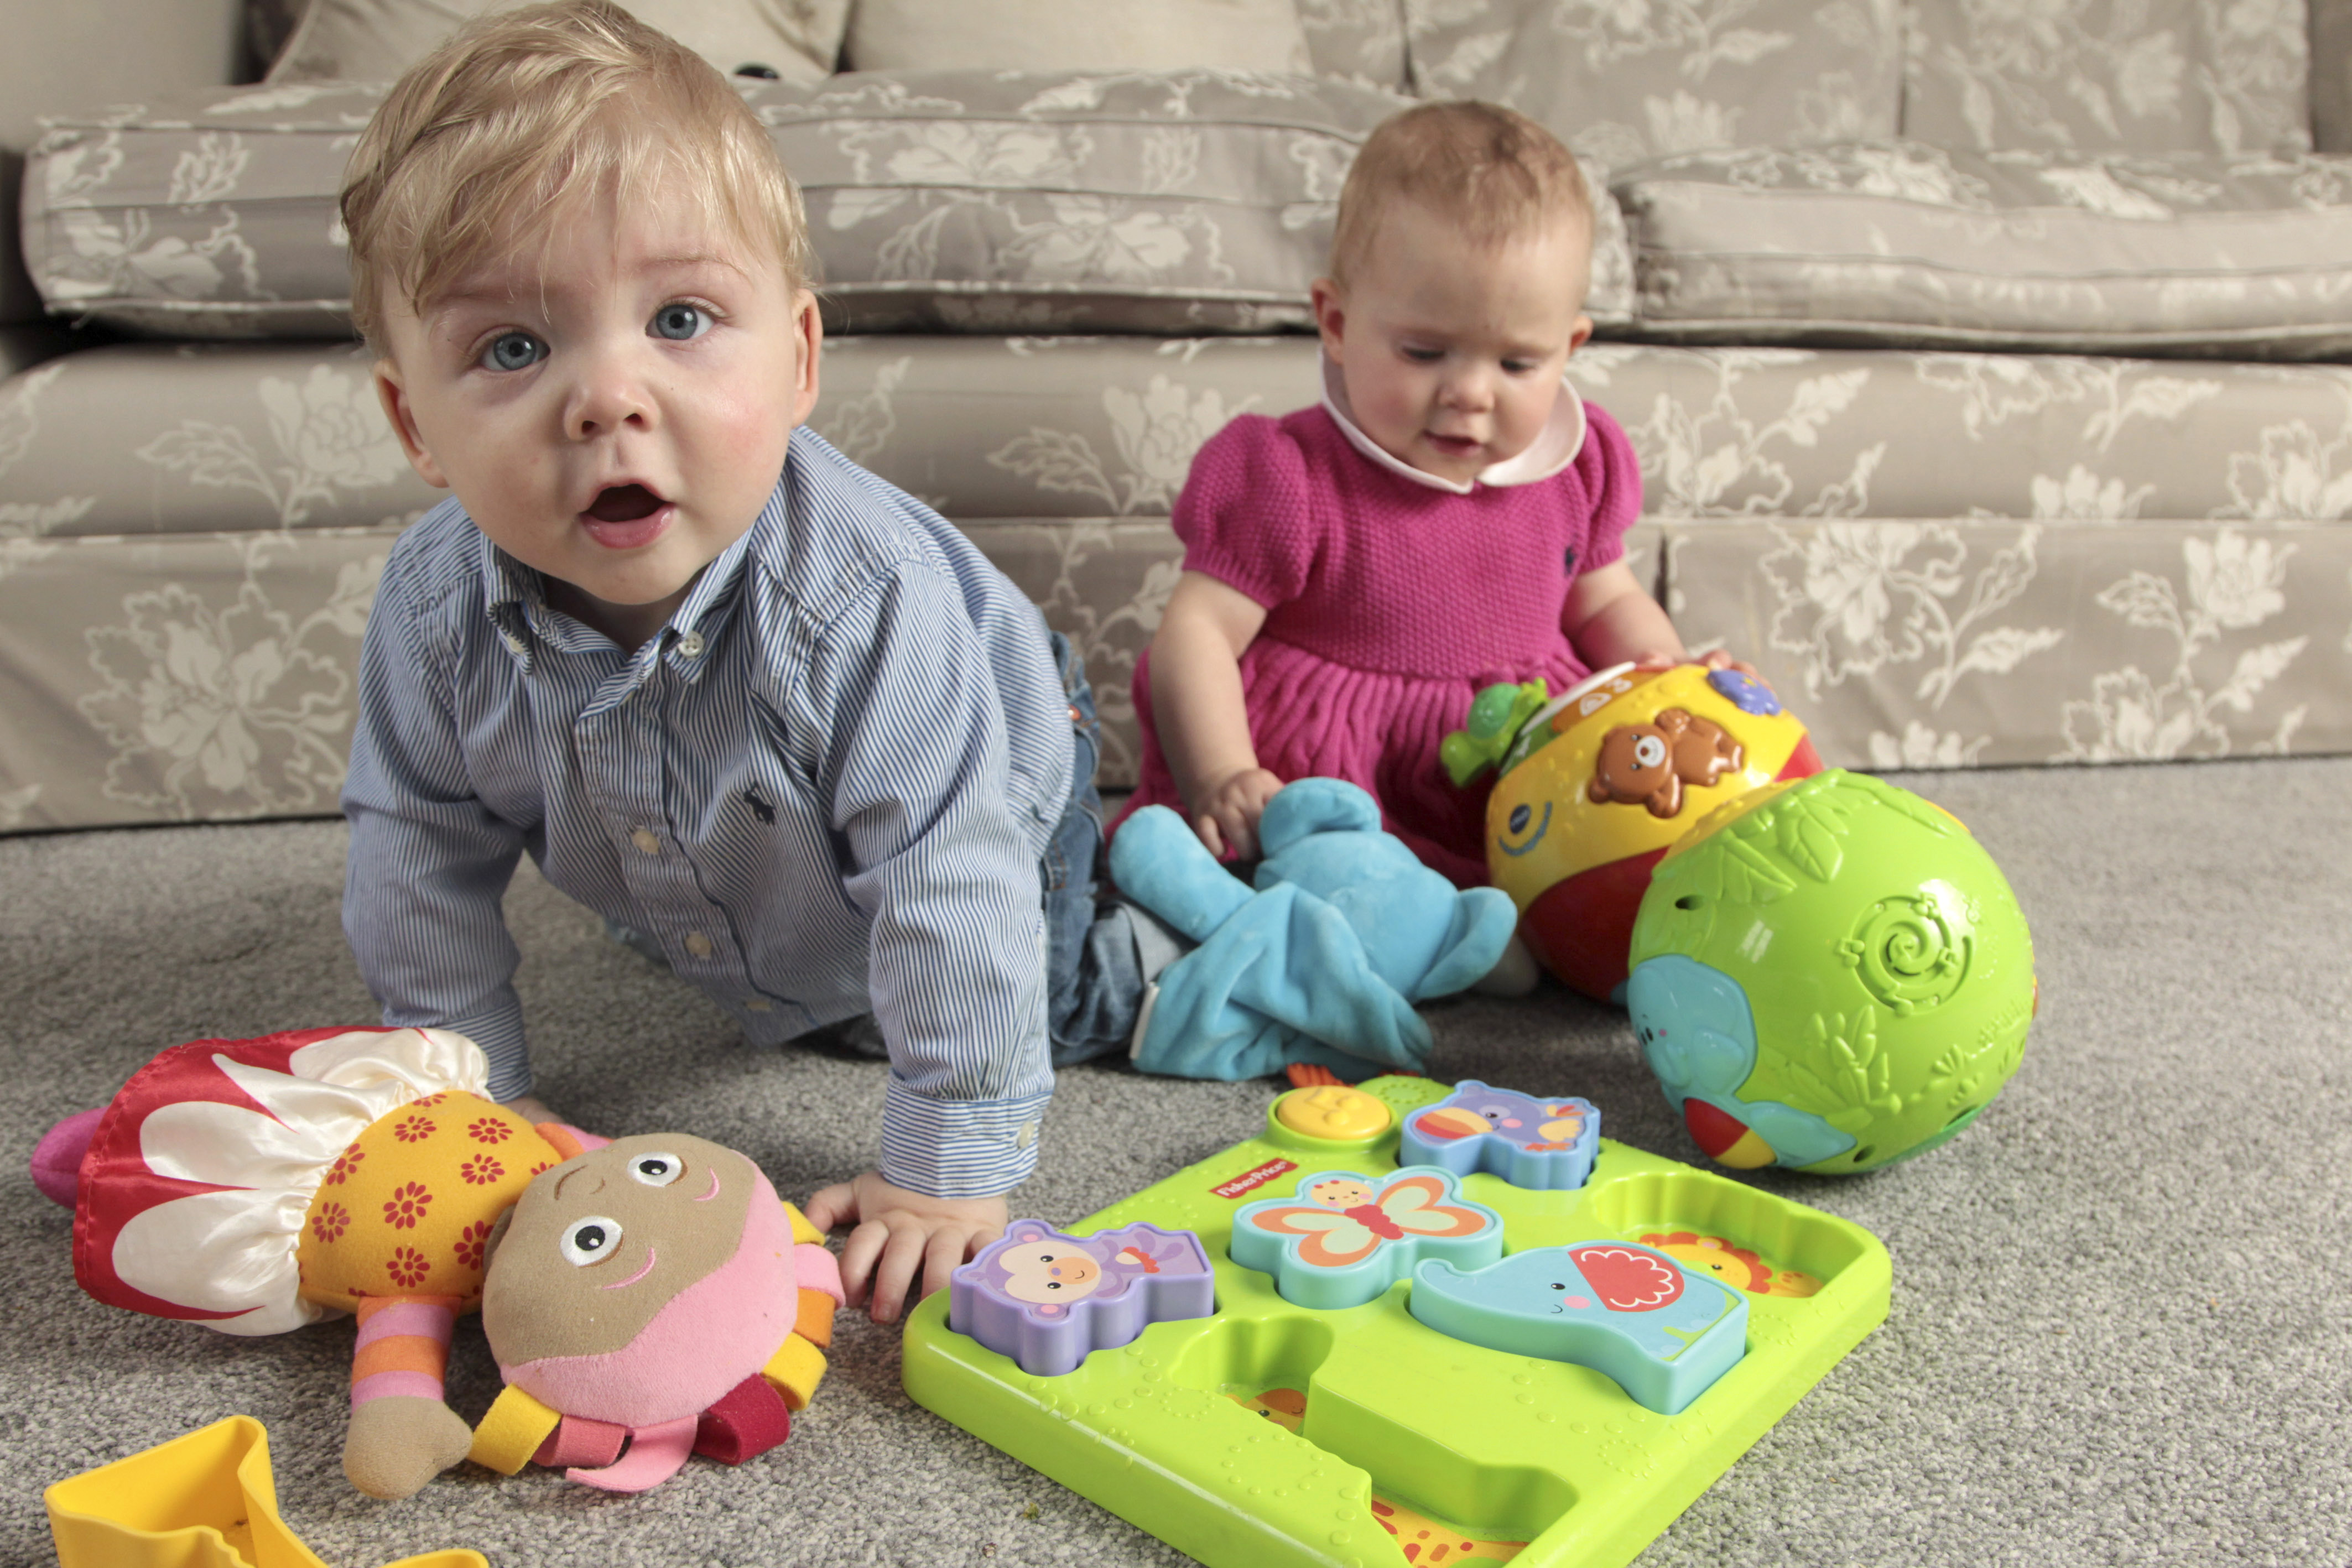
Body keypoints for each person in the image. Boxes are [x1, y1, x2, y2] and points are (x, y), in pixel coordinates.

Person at [336, 0, 1153, 1324]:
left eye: (679, 318)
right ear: (412, 421)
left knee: (1020, 995)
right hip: (736, 839)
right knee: (812, 974)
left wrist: (943, 1174)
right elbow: (413, 849)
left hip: (988, 769)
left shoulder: (866, 602)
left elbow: (951, 880)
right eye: (512, 347)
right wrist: (470, 1097)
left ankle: (1197, 945)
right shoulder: (435, 614)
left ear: (800, 356)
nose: (608, 398)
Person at [1119, 101, 1753, 894]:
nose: (1470, 394)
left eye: (1518, 365)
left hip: (1514, 768)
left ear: (1569, 348)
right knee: (1304, 892)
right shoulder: (1290, 478)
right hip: (1338, 778)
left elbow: (1605, 604)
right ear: (1337, 323)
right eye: (1424, 352)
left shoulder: (1578, 466)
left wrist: (1674, 681)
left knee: (1603, 872)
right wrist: (1222, 774)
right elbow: (1199, 632)